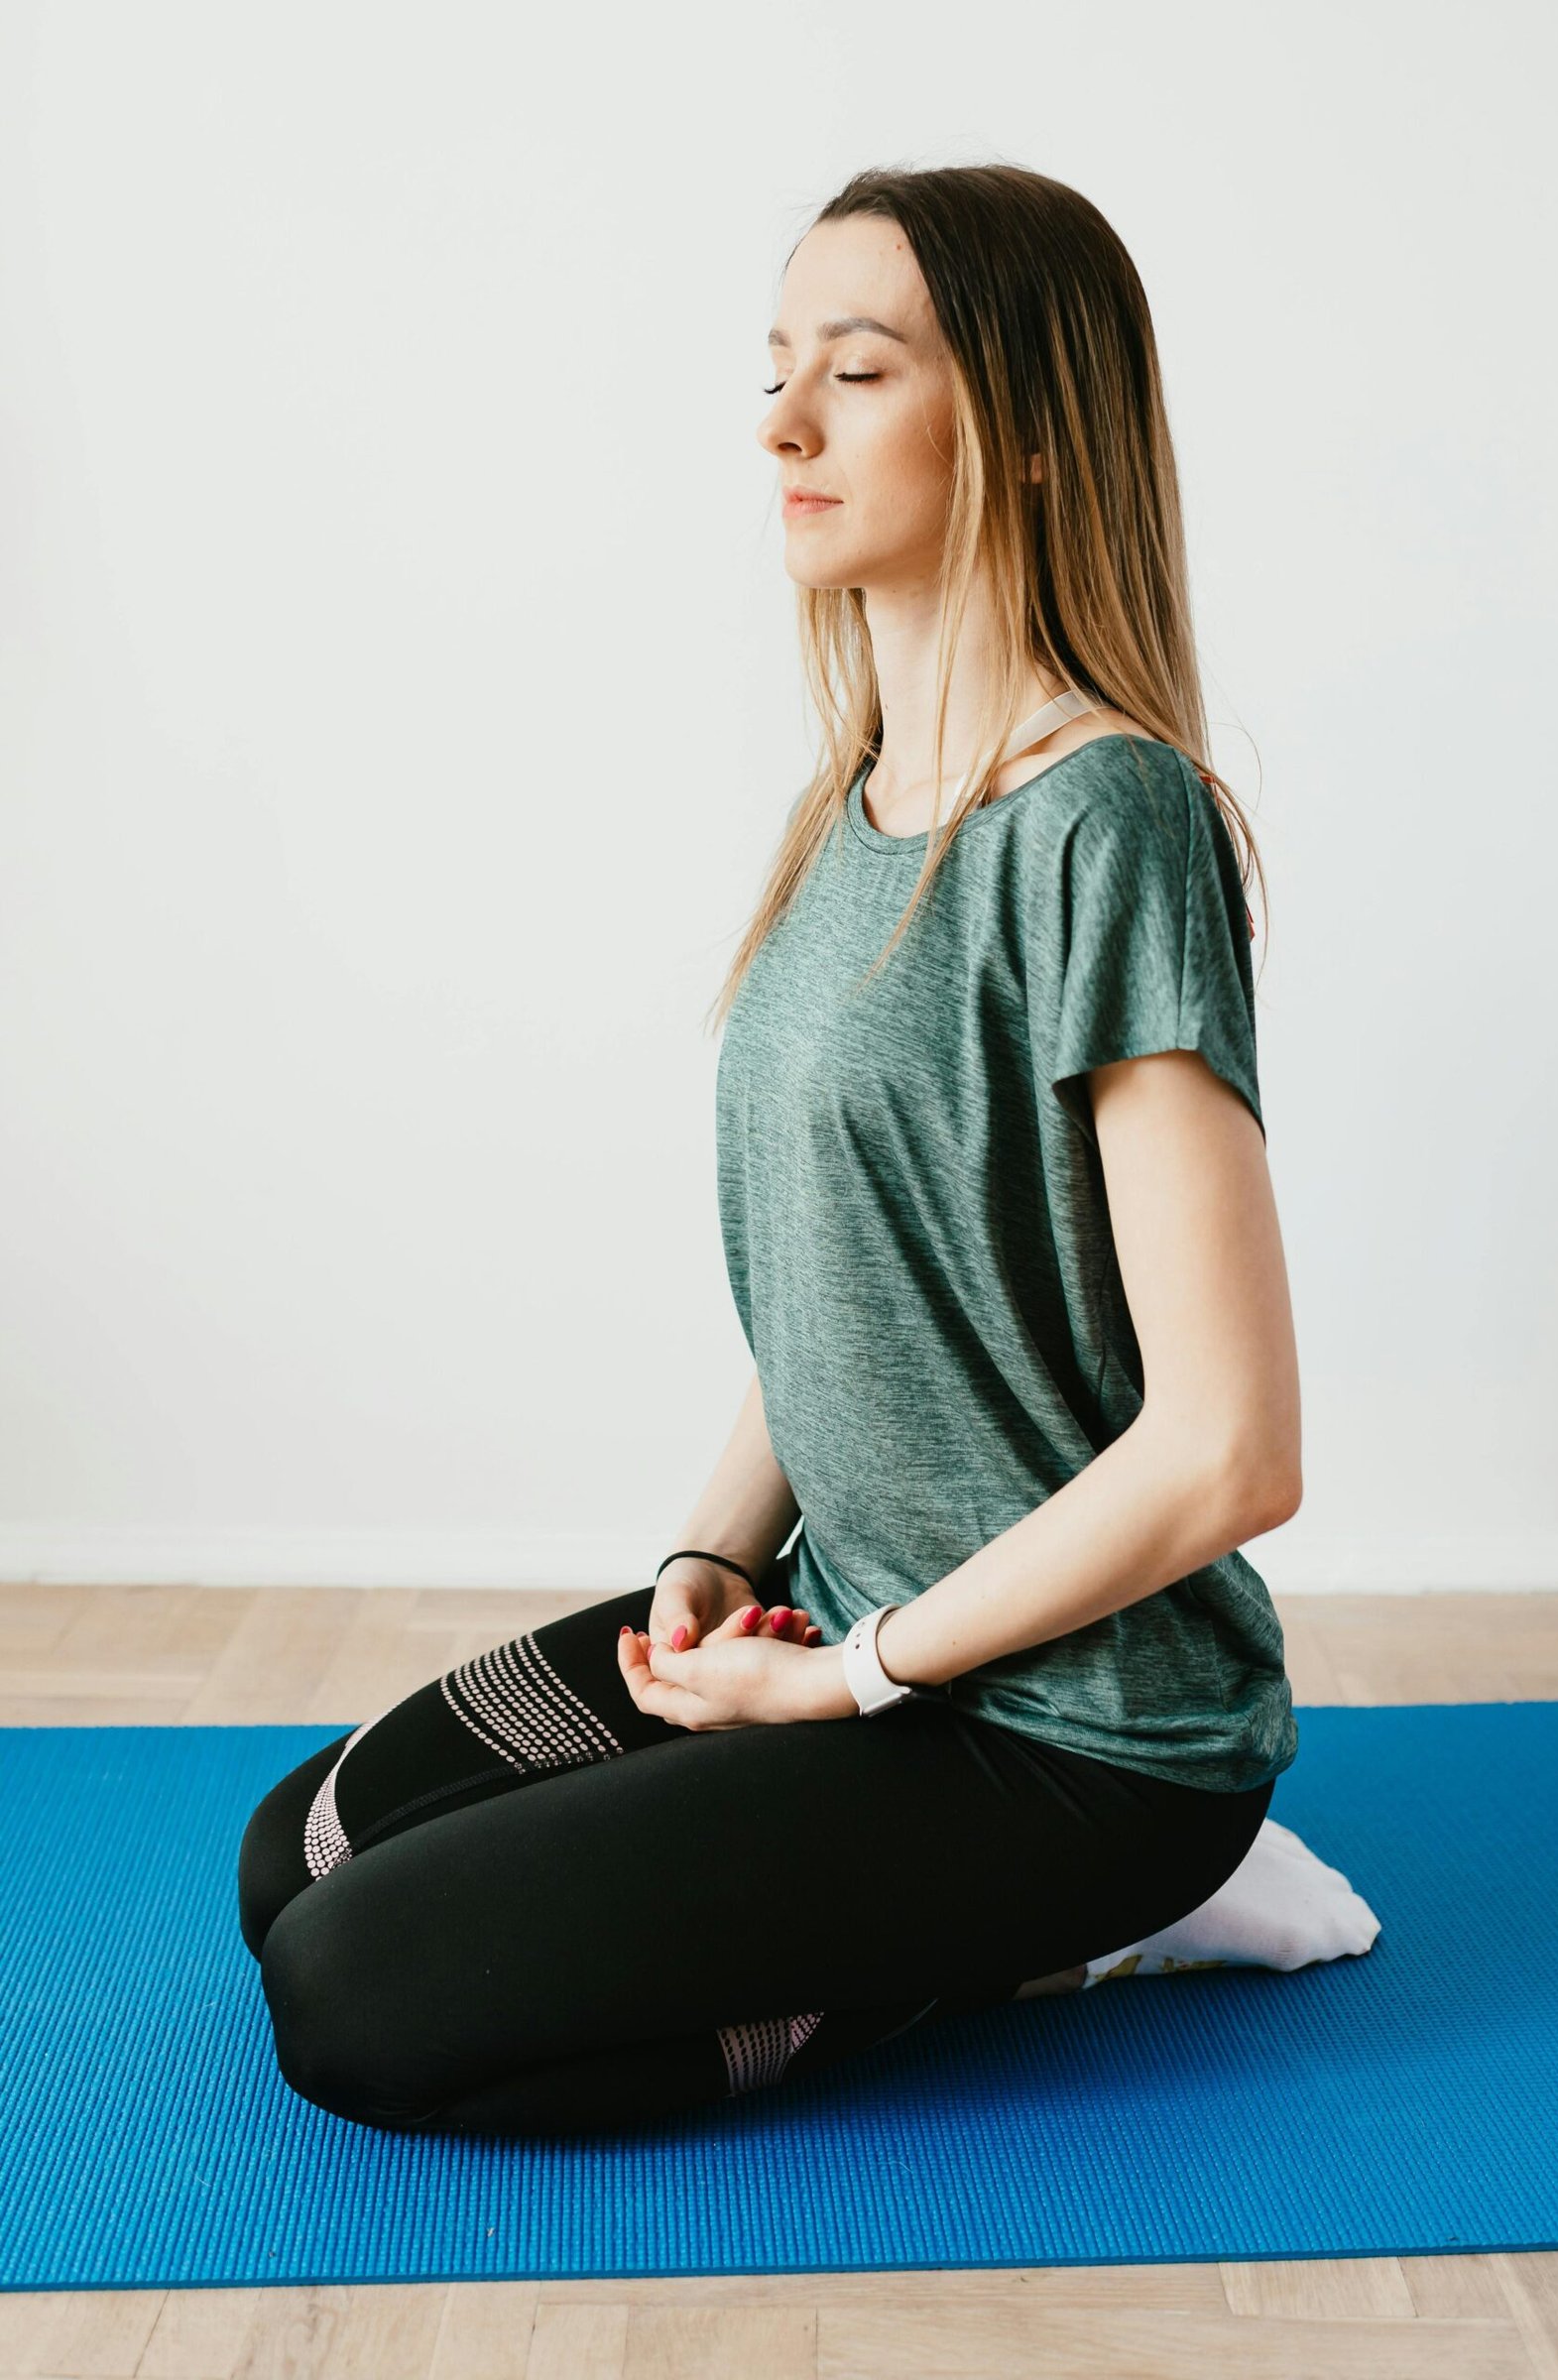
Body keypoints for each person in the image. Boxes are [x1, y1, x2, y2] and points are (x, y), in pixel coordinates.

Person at [237, 162, 1302, 2139]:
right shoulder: (846, 812)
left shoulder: (1108, 823)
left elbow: (1229, 1449)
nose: (780, 426)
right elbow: (854, 1276)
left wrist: (850, 1682)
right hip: (845, 1614)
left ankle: (1072, 1932)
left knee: (356, 1998)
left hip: (1074, 1737)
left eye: (859, 371)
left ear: (1038, 433)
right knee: (295, 1858)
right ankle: (880, 1875)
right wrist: (707, 1559)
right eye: (775, 370)